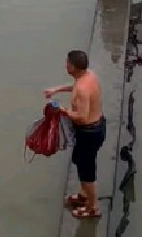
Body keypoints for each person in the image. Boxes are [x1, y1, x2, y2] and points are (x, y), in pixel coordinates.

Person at [44, 51, 105, 222]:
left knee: (86, 172)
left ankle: (93, 207)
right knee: (80, 162)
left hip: (89, 132)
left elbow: (82, 116)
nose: (65, 65)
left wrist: (62, 110)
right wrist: (57, 89)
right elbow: (76, 87)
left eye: (67, 63)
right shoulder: (89, 75)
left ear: (73, 67)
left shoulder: (82, 89)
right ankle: (84, 195)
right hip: (98, 127)